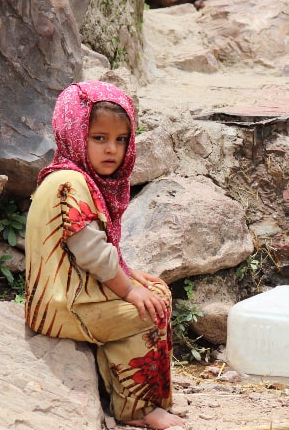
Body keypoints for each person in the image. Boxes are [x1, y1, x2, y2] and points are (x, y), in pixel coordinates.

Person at [24, 81, 186, 429]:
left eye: (121, 139)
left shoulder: (77, 178)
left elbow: (95, 250)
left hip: (76, 295)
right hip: (62, 305)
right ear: (73, 133)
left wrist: (130, 276)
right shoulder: (68, 183)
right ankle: (137, 409)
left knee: (154, 291)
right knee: (148, 310)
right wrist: (127, 290)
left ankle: (129, 392)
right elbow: (93, 254)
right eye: (99, 138)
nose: (112, 149)